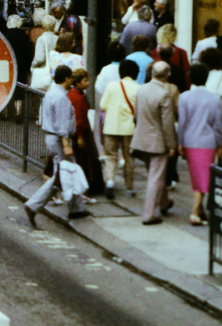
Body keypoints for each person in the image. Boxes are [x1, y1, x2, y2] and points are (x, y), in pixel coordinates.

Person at [24, 65, 77, 229]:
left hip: (51, 137)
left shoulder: (51, 93)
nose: (72, 82)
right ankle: (33, 204)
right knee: (61, 175)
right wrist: (66, 144)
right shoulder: (61, 97)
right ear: (66, 78)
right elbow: (62, 124)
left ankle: (76, 208)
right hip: (59, 139)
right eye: (71, 78)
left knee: (65, 174)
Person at [132, 61, 179, 224]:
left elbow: (136, 115)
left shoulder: (141, 89)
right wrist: (171, 145)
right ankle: (149, 214)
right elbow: (167, 123)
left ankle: (164, 202)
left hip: (141, 139)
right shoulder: (164, 94)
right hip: (157, 142)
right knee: (155, 177)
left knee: (157, 174)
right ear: (167, 75)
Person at [178, 62, 222, 226]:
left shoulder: (184, 97)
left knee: (197, 177)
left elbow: (182, 123)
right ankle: (195, 211)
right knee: (204, 177)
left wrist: (180, 143)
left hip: (190, 140)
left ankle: (198, 211)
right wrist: (220, 143)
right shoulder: (214, 98)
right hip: (207, 141)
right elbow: (217, 125)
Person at [64, 65, 105, 210]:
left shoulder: (74, 94)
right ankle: (85, 189)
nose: (88, 83)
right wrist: (80, 136)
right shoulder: (78, 98)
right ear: (79, 82)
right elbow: (79, 119)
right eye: (85, 80)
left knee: (85, 159)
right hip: (82, 133)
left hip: (82, 132)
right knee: (85, 160)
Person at [99, 61, 140, 196]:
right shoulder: (138, 88)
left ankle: (110, 181)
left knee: (110, 156)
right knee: (129, 158)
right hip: (129, 128)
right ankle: (129, 188)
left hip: (111, 126)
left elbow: (103, 105)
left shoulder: (112, 86)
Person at [150, 24, 191, 91]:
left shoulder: (154, 52)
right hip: (176, 89)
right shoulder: (181, 52)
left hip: (157, 89)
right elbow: (186, 74)